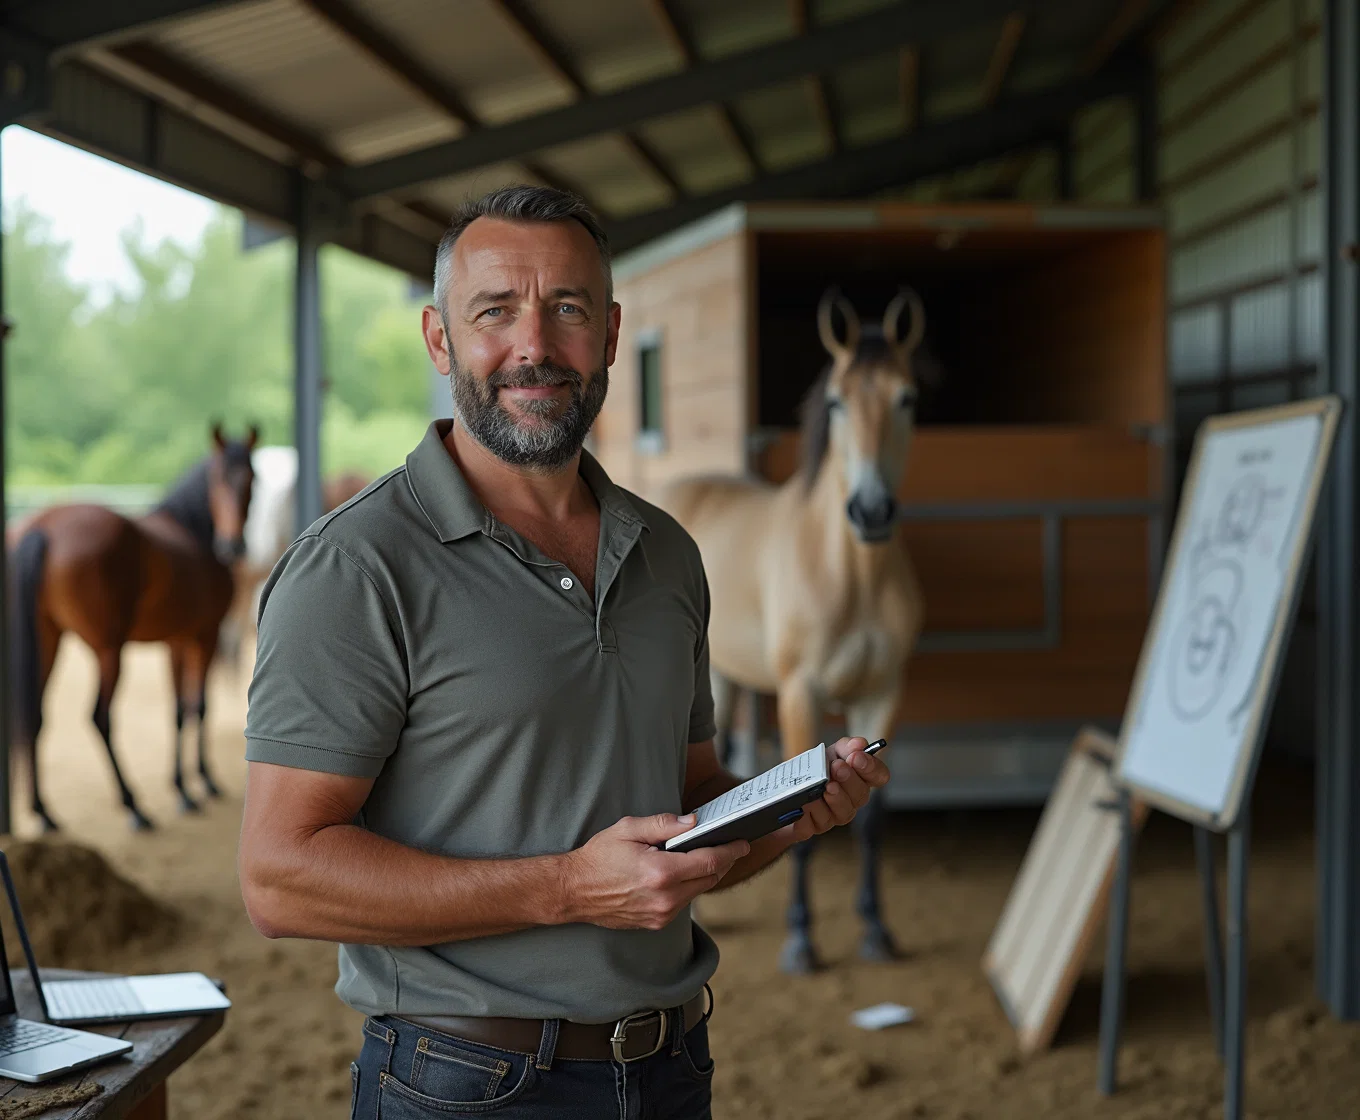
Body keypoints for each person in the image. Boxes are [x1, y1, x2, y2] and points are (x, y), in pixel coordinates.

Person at [236, 184, 891, 1120]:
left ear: (613, 334)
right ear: (438, 339)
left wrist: (787, 813)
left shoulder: (668, 553)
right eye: (494, 311)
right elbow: (278, 879)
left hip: (670, 1067)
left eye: (568, 309)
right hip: (463, 1083)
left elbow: (689, 813)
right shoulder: (355, 567)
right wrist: (570, 888)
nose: (534, 346)